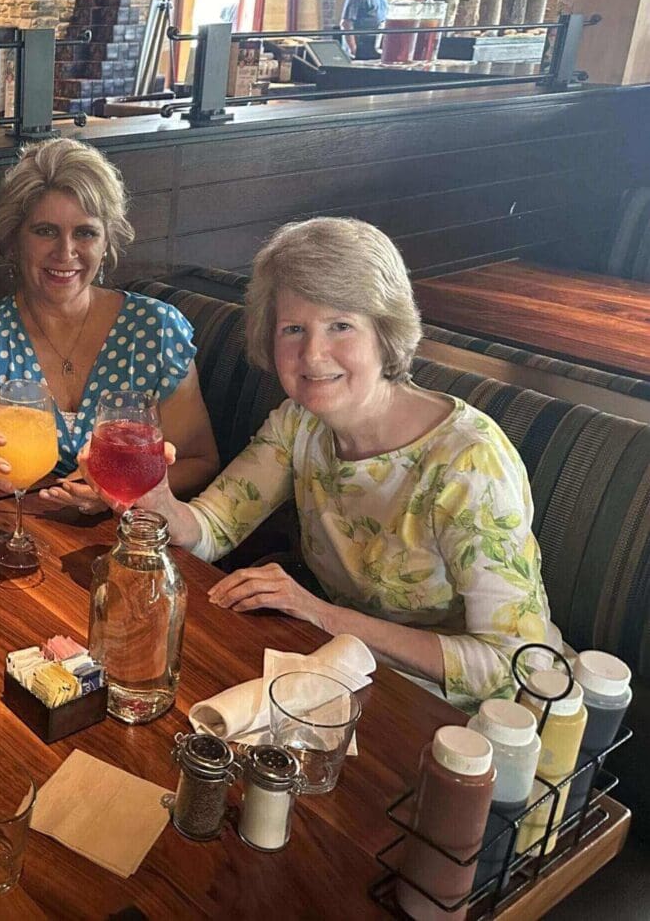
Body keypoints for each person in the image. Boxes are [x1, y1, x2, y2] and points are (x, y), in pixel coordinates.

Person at [78, 217, 559, 711]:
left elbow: (511, 666)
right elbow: (212, 528)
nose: (312, 353)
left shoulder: (468, 464)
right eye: (293, 329)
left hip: (476, 722)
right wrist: (151, 492)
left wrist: (318, 613)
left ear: (385, 331)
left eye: (341, 326)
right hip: (350, 679)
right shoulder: (300, 424)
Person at [0, 138, 220, 504]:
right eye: (45, 230)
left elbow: (199, 461)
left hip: (121, 541)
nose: (65, 252)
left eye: (85, 232)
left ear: (107, 242)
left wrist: (116, 495)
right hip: (11, 533)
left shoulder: (157, 330)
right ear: (15, 240)